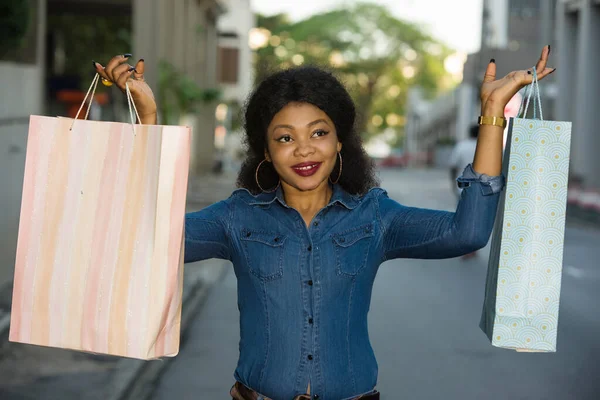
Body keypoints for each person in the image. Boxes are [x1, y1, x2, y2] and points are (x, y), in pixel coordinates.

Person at [93, 45, 554, 400]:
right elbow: (145, 236)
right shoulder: (235, 218)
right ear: (267, 153)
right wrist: (147, 118)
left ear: (339, 143)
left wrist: (493, 116)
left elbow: (468, 232)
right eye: (284, 138)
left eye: (318, 133)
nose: (304, 149)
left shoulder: (376, 217)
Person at [449, 123, 480, 260]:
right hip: (481, 189)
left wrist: (452, 183)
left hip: (462, 187)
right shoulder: (485, 147)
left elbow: (453, 166)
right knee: (477, 219)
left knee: (463, 218)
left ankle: (465, 246)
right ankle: (472, 247)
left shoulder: (461, 146)